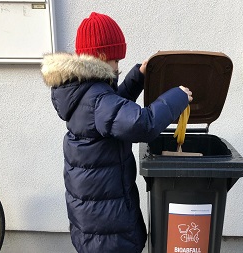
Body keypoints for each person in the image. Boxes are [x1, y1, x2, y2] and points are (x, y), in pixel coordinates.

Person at [41, 12, 193, 253]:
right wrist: (178, 97)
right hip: (107, 229)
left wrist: (138, 77)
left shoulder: (85, 91)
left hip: (95, 217)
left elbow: (113, 111)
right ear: (101, 57)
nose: (118, 68)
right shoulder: (96, 99)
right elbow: (142, 124)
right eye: (116, 62)